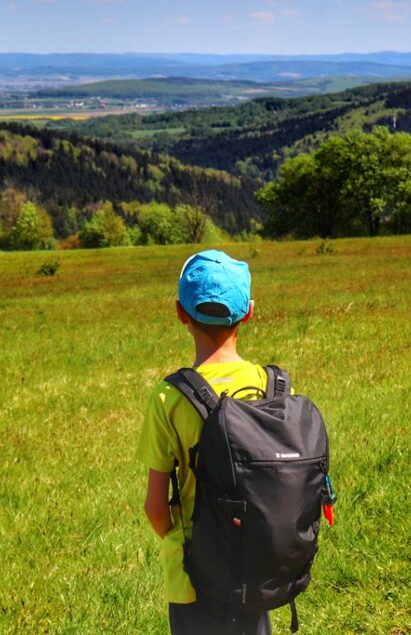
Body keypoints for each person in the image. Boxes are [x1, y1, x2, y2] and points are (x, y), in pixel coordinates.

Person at [136, 249, 272, 635]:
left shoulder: (169, 397)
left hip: (196, 578)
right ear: (248, 312)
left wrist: (186, 545)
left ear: (180, 312)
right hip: (259, 563)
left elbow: (155, 508)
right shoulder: (270, 386)